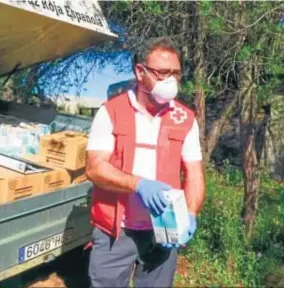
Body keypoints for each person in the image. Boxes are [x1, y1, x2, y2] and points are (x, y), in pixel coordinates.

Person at [85, 37, 206, 287]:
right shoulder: (110, 112)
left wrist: (191, 214)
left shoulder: (185, 119)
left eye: (175, 73)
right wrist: (138, 185)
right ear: (140, 71)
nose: (170, 81)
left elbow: (194, 173)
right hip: (114, 233)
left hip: (162, 232)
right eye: (162, 73)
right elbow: (94, 168)